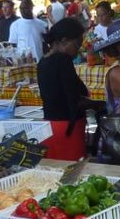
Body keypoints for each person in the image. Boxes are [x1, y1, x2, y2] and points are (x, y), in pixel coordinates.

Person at [37, 19, 102, 160]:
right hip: (67, 128)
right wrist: (101, 105)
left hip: (49, 127)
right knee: (73, 173)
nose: (77, 51)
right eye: (77, 45)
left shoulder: (43, 61)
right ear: (64, 41)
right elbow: (75, 98)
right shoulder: (63, 60)